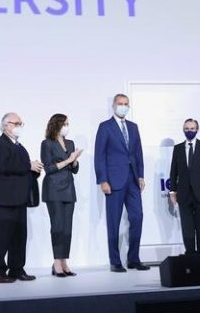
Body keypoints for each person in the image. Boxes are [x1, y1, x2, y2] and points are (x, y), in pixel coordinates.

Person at [94, 93, 149, 272]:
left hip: (133, 180)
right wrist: (103, 180)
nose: (123, 106)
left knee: (137, 217)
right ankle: (115, 261)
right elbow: (99, 156)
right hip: (113, 181)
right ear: (113, 105)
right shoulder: (105, 127)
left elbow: (138, 153)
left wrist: (140, 175)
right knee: (114, 221)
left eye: (126, 104)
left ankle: (133, 258)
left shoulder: (133, 127)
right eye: (120, 103)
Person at [0, 112, 42, 283]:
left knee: (19, 238)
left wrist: (35, 169)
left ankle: (17, 269)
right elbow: (4, 166)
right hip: (4, 200)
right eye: (16, 123)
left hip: (20, 199)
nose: (19, 126)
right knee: (1, 238)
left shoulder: (20, 147)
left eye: (21, 124)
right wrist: (28, 165)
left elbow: (23, 170)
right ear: (5, 125)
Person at [40, 114, 83, 277]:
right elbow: (49, 168)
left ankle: (64, 261)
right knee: (57, 226)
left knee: (67, 228)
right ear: (56, 125)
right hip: (53, 189)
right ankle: (57, 262)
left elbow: (75, 170)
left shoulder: (70, 143)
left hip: (68, 188)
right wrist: (68, 160)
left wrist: (75, 160)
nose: (67, 126)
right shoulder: (47, 144)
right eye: (64, 124)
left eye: (68, 124)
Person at [168, 118, 200, 254]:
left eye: (192, 129)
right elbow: (173, 171)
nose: (189, 131)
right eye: (187, 129)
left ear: (197, 129)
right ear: (184, 130)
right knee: (187, 225)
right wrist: (172, 191)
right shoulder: (178, 148)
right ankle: (189, 252)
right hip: (183, 193)